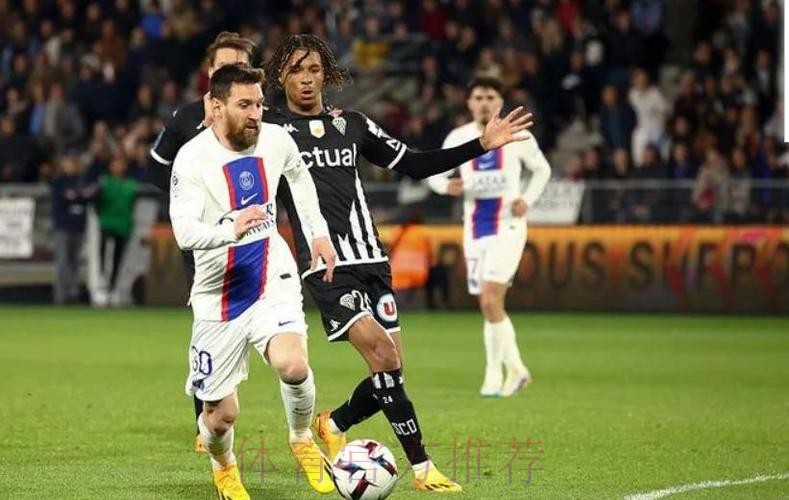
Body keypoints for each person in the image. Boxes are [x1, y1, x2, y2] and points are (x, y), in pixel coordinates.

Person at [262, 34, 533, 492]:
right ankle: (422, 468)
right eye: (295, 71)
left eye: (314, 70)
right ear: (280, 77)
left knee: (392, 369)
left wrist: (481, 145)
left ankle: (335, 423)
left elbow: (415, 164)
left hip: (373, 260)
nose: (306, 80)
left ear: (326, 74)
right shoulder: (269, 129)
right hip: (326, 266)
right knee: (384, 356)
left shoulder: (352, 124)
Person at [169, 63, 337, 498]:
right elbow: (184, 233)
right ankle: (223, 465)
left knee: (293, 365)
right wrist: (230, 229)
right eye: (244, 105)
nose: (255, 114)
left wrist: (317, 233)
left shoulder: (276, 140)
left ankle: (301, 438)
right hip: (217, 294)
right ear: (216, 106)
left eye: (259, 104)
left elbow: (299, 177)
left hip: (270, 275)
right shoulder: (192, 158)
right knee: (218, 417)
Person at [146, 31, 256, 453]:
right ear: (209, 71)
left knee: (259, 322)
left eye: (238, 66)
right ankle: (205, 419)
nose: (229, 72)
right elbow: (156, 167)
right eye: (223, 66)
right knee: (210, 321)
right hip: (206, 241)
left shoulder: (261, 118)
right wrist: (186, 201)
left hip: (255, 236)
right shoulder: (186, 118)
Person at [428, 77, 551, 398]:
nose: (484, 103)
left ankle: (502, 372)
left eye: (490, 97)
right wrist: (446, 185)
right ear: (469, 103)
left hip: (508, 225)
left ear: (500, 102)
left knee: (490, 300)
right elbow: (434, 172)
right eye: (479, 97)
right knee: (488, 304)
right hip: (474, 228)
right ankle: (506, 373)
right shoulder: (459, 137)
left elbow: (543, 170)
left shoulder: (518, 134)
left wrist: (527, 199)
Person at [50, 153, 90, 304]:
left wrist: (76, 197)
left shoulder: (82, 180)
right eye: (69, 162)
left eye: (75, 162)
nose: (72, 166)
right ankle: (61, 296)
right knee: (63, 262)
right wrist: (78, 197)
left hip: (78, 226)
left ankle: (73, 294)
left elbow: (86, 197)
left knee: (75, 262)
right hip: (63, 227)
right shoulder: (58, 182)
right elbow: (61, 202)